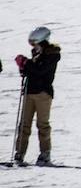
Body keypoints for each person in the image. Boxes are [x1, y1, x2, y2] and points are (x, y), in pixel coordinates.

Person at [13, 26, 61, 166]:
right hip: (30, 92)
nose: (33, 46)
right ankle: (19, 153)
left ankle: (45, 154)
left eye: (35, 43)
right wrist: (24, 68)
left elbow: (40, 70)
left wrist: (26, 63)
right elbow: (32, 71)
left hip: (43, 94)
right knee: (24, 125)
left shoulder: (52, 54)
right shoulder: (35, 54)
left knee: (42, 124)